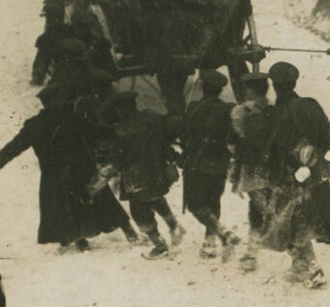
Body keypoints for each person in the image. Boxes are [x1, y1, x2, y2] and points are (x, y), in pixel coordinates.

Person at [0, 83, 133, 252]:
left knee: (66, 207)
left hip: (54, 176)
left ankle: (80, 240)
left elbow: (14, 147)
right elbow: (96, 132)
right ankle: (131, 235)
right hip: (81, 170)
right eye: (61, 97)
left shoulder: (35, 125)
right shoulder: (70, 119)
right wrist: (120, 131)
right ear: (55, 100)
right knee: (104, 202)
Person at [259, 61, 330, 289]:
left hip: (288, 177)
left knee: (286, 220)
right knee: (299, 219)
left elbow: (269, 151)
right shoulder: (310, 105)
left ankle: (311, 267)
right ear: (294, 82)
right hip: (315, 173)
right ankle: (301, 264)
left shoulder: (273, 114)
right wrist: (314, 154)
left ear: (274, 86)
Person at [104, 89, 185, 258]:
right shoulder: (152, 117)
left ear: (120, 109)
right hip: (157, 170)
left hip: (136, 176)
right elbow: (167, 135)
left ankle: (159, 245)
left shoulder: (120, 130)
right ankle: (174, 226)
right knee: (155, 198)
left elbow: (117, 158)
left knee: (140, 213)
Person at [179, 69, 242, 258]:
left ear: (203, 88)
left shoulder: (193, 108)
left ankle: (222, 232)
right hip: (220, 164)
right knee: (213, 201)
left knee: (195, 205)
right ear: (220, 90)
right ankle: (209, 243)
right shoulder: (229, 109)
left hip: (196, 164)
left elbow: (183, 134)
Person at [229, 71, 276, 271]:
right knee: (265, 210)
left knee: (267, 212)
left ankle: (251, 255)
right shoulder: (275, 110)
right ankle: (251, 252)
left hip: (253, 171)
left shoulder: (242, 113)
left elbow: (233, 143)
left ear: (251, 90)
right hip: (274, 169)